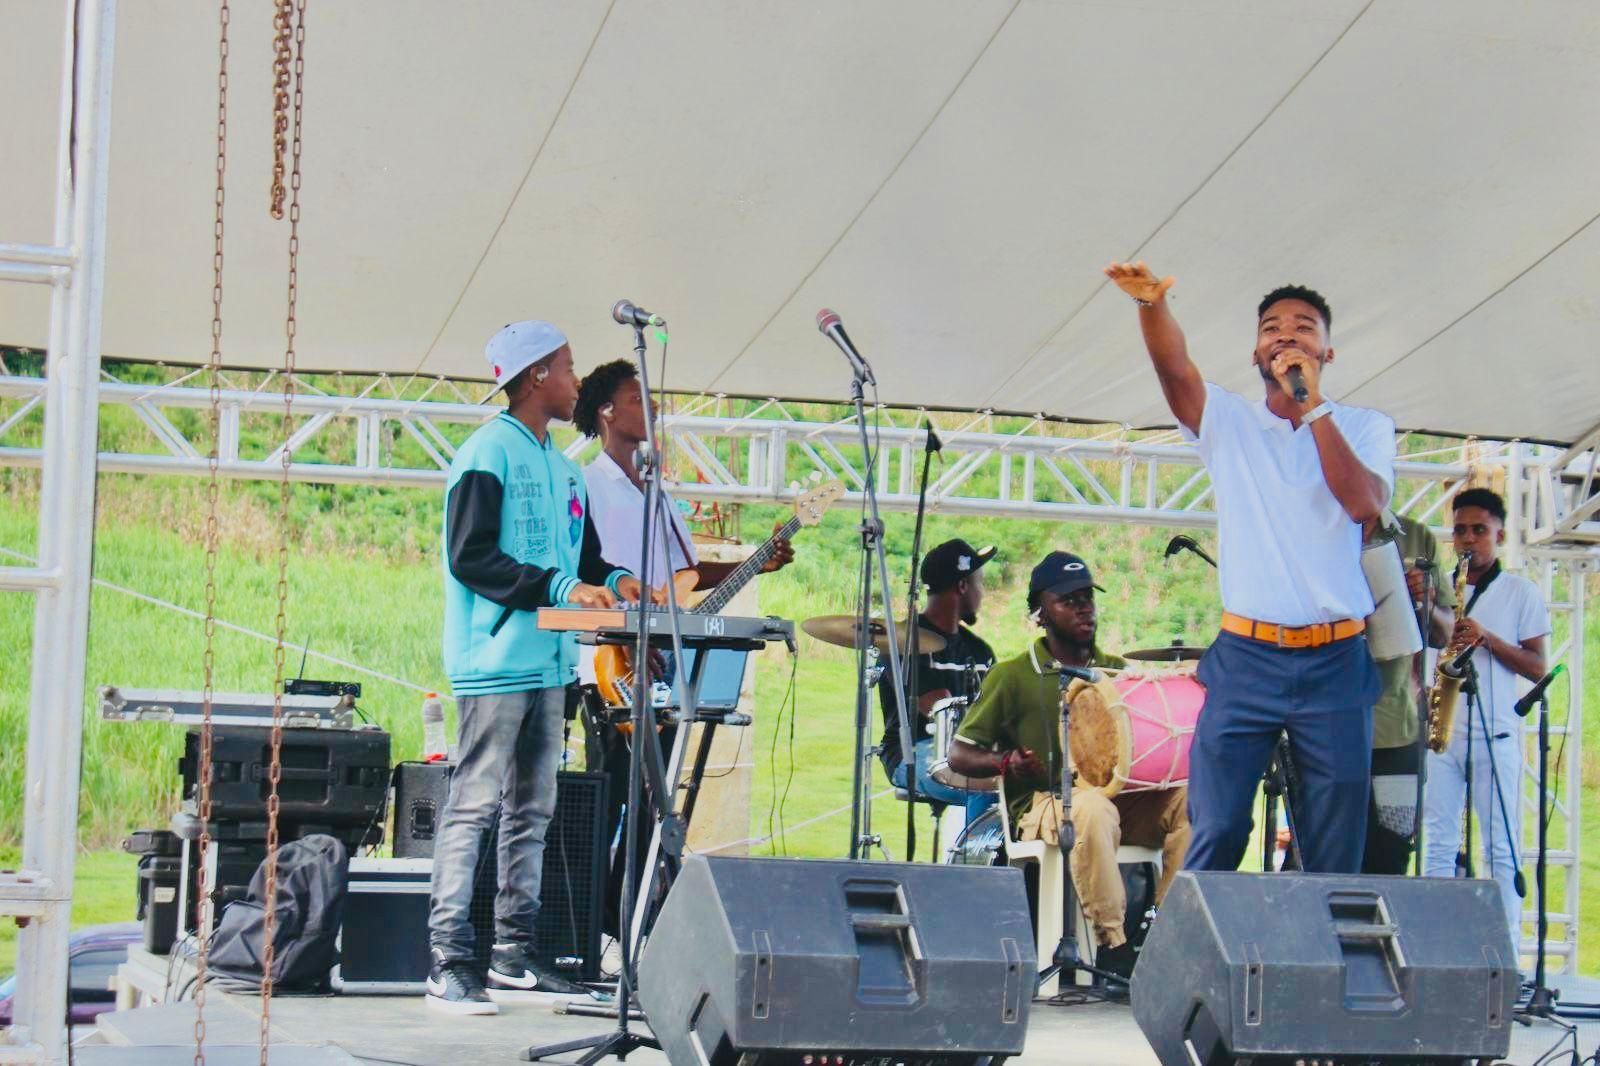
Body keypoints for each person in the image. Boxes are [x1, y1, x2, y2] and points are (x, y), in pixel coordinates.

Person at [1105, 262, 1394, 874]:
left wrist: (1313, 408)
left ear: (1328, 350)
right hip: (1247, 656)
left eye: (1303, 328)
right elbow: (1175, 371)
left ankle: (1319, 963)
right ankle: (1188, 968)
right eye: (1271, 328)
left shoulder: (1365, 427)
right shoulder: (1230, 421)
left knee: (1334, 846)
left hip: (1336, 660)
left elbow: (1364, 504)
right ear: (1256, 350)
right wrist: (1152, 308)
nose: (1286, 336)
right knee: (1218, 827)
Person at [428, 320, 646, 1015]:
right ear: (533, 379)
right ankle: (447, 960)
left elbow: (577, 561)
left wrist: (614, 580)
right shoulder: (485, 454)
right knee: (473, 806)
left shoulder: (560, 466)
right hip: (494, 663)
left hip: (550, 663)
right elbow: (472, 557)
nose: (576, 382)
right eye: (567, 368)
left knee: (534, 809)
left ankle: (513, 955)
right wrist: (559, 589)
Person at [570, 359, 793, 945]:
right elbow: (592, 572)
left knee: (655, 803)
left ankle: (635, 926)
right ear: (606, 411)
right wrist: (623, 635)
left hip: (662, 662)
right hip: (611, 662)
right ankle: (591, 933)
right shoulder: (589, 482)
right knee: (614, 796)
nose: (651, 408)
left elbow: (680, 578)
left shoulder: (656, 489)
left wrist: (760, 557)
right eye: (634, 398)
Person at [947, 551, 1189, 951]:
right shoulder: (1012, 675)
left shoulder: (1115, 673)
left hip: (1118, 804)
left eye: (1088, 599)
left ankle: (1167, 935)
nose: (1084, 610)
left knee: (1190, 801)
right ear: (1040, 612)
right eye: (1069, 601)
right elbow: (959, 754)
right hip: (1045, 804)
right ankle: (1113, 946)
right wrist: (1007, 762)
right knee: (1091, 808)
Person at [1422, 488, 1549, 950]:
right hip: (1443, 733)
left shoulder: (1520, 592)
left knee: (1499, 849)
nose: (1468, 539)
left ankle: (1506, 955)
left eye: (1479, 530)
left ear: (1498, 534)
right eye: (1460, 530)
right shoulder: (1439, 592)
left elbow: (1538, 667)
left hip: (1494, 736)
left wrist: (1487, 639)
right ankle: (1430, 954)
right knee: (1435, 847)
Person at [1362, 514, 1454, 875]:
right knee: (1323, 854)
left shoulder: (1414, 536)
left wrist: (1426, 602)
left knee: (1392, 854)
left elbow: (1445, 633)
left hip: (1396, 728)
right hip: (1324, 727)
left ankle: (1381, 933)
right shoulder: (1315, 527)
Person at [877, 538, 997, 816]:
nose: (983, 592)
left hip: (968, 751)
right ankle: (972, 858)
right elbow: (936, 705)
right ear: (962, 586)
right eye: (979, 583)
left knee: (1020, 780)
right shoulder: (906, 641)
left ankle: (1011, 857)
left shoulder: (980, 651)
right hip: (913, 751)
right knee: (982, 783)